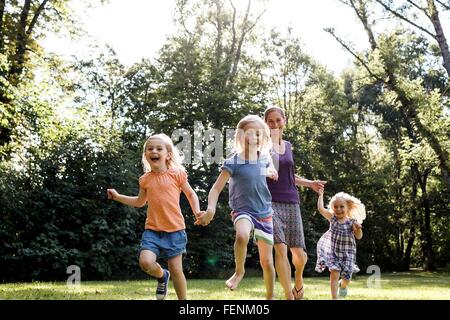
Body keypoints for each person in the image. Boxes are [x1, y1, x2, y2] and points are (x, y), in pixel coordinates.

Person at [107, 134, 201, 300]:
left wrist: (197, 212)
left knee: (176, 270)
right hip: (152, 231)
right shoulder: (145, 180)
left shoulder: (177, 174)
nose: (154, 151)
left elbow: (191, 194)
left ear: (168, 154)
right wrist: (118, 196)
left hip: (175, 230)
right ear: (146, 155)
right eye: (150, 149)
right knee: (145, 262)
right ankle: (162, 276)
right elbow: (139, 202)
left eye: (159, 148)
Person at [196, 115, 278, 300]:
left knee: (267, 262)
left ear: (263, 137)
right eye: (249, 133)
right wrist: (210, 210)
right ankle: (239, 271)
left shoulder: (264, 158)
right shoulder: (233, 162)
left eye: (258, 134)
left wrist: (272, 171)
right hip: (243, 211)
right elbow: (216, 188)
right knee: (242, 235)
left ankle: (270, 297)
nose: (254, 137)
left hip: (265, 213)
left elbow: (272, 169)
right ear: (240, 136)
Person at [264, 106, 326, 300]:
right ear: (265, 124)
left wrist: (310, 184)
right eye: (270, 121)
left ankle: (298, 278)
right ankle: (288, 295)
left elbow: (290, 176)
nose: (274, 124)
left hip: (291, 202)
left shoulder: (289, 146)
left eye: (278, 120)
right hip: (269, 202)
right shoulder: (262, 146)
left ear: (284, 121)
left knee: (299, 256)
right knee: (280, 248)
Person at [316, 189, 366, 300]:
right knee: (334, 273)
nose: (338, 209)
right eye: (336, 207)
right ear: (333, 208)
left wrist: (358, 229)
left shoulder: (352, 222)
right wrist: (321, 195)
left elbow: (359, 236)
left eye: (341, 206)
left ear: (348, 207)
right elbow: (320, 209)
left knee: (347, 278)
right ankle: (334, 298)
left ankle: (342, 285)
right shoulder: (332, 218)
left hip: (348, 253)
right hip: (334, 252)